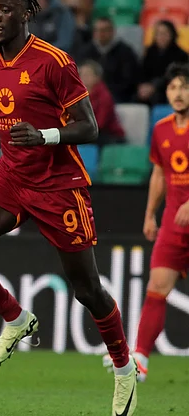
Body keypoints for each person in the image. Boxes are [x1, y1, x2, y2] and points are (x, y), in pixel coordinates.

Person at [0, 0, 137, 415]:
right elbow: (1, 113)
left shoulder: (54, 61)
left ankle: (124, 370)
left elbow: (89, 127)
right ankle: (16, 318)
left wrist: (46, 135)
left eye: (5, 10)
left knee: (87, 289)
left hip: (59, 185)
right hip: (11, 177)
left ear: (25, 15)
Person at [102, 63, 189, 384]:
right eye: (173, 88)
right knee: (156, 288)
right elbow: (159, 173)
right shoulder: (162, 129)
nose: (178, 94)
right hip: (173, 223)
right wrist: (150, 213)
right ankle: (139, 358)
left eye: (184, 87)